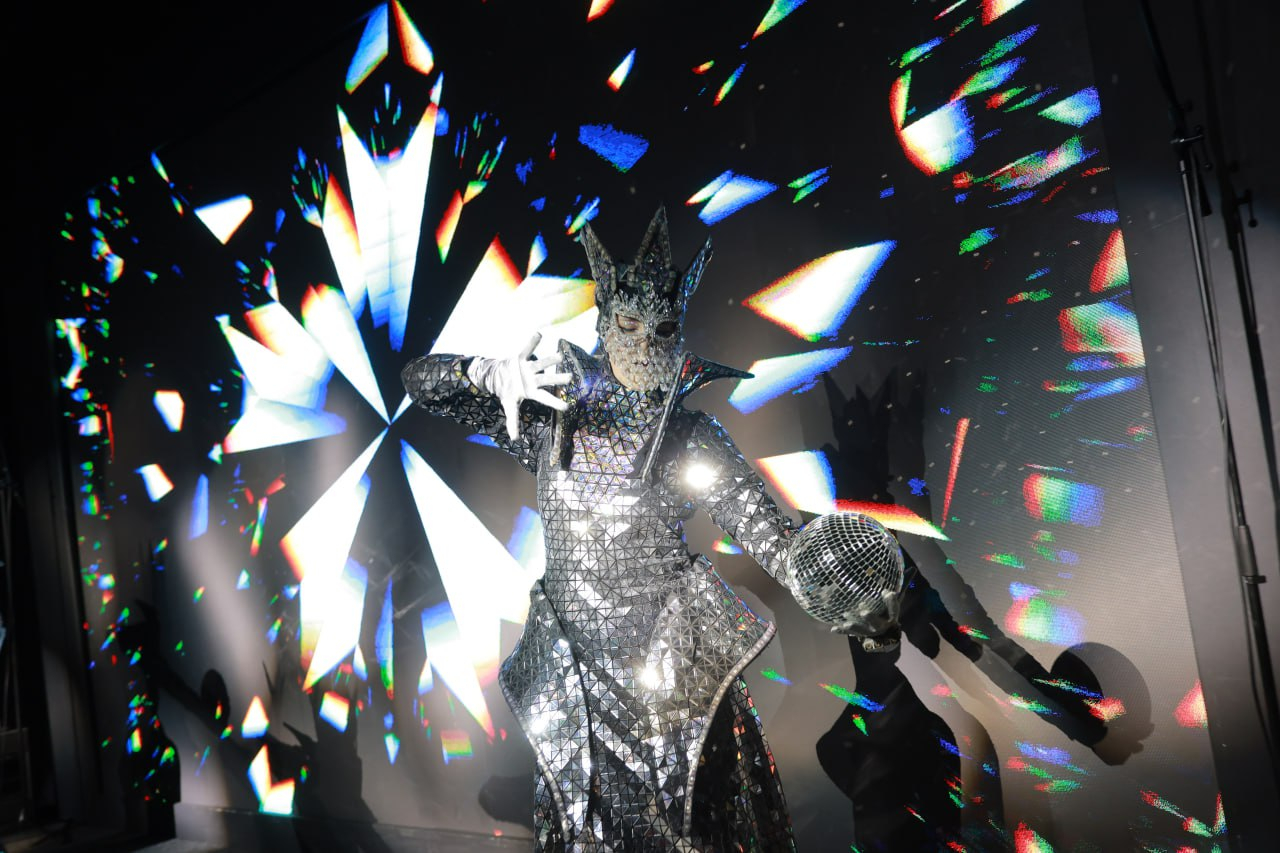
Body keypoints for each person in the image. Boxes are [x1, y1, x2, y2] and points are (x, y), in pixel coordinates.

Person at [402, 208, 881, 851]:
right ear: (604, 323)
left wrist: (845, 580)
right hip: (575, 682)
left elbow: (773, 540)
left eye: (664, 329)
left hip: (675, 682)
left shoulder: (690, 437)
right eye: (630, 324)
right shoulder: (549, 414)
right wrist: (481, 374)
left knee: (695, 829)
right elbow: (419, 382)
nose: (647, 343)